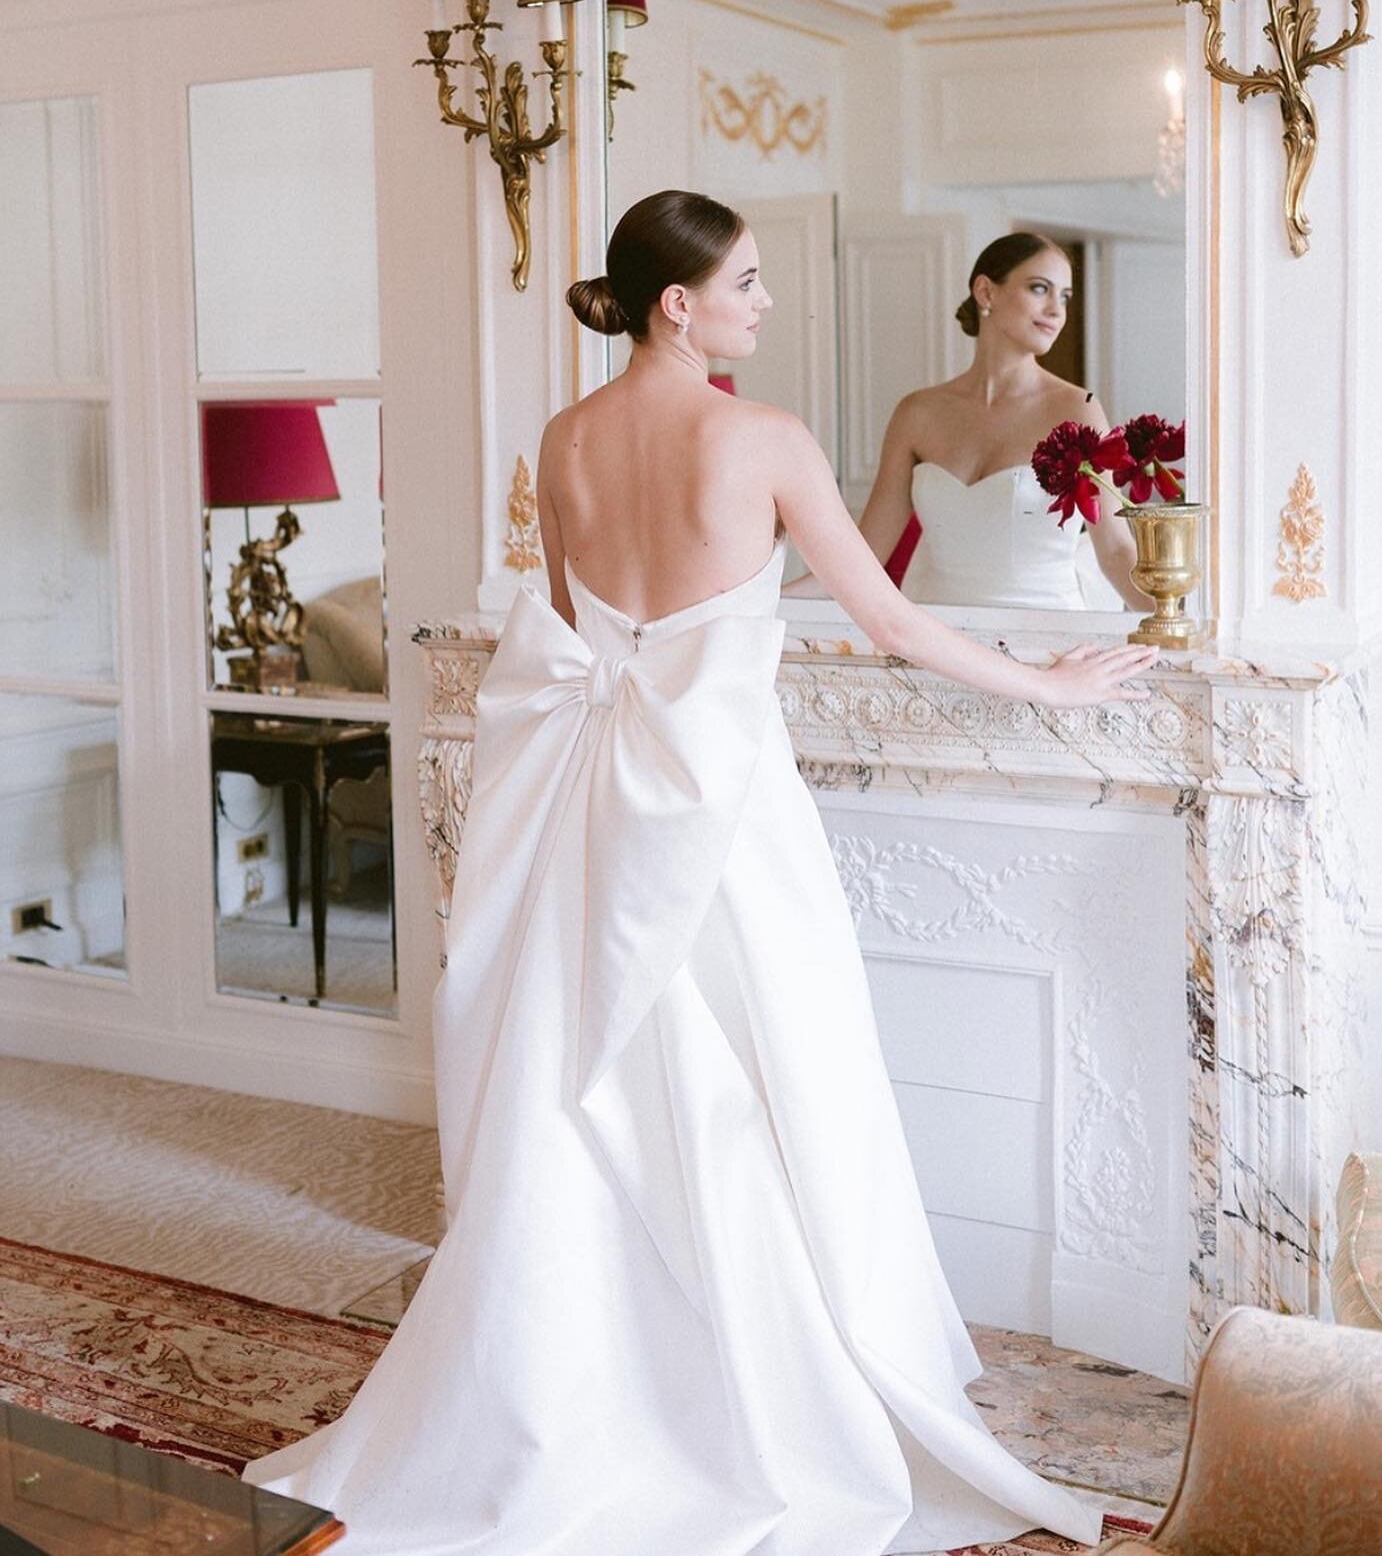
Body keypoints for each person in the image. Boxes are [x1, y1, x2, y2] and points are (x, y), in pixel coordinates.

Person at [242, 191, 1156, 1554]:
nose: (765, 301)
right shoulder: (760, 437)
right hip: (722, 811)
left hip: (585, 801)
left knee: (595, 1084)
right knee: (763, 1084)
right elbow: (891, 616)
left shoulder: (563, 438)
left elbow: (571, 621)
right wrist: (1050, 683)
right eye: (747, 280)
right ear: (679, 302)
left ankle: (576, 1368)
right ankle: (748, 1394)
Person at [845, 233, 1149, 611]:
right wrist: (768, 600)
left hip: (1044, 640)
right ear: (986, 292)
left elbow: (1116, 548)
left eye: (1065, 297)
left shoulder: (1078, 409)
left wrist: (1179, 627)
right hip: (933, 641)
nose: (1057, 310)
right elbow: (861, 557)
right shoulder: (917, 413)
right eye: (1040, 289)